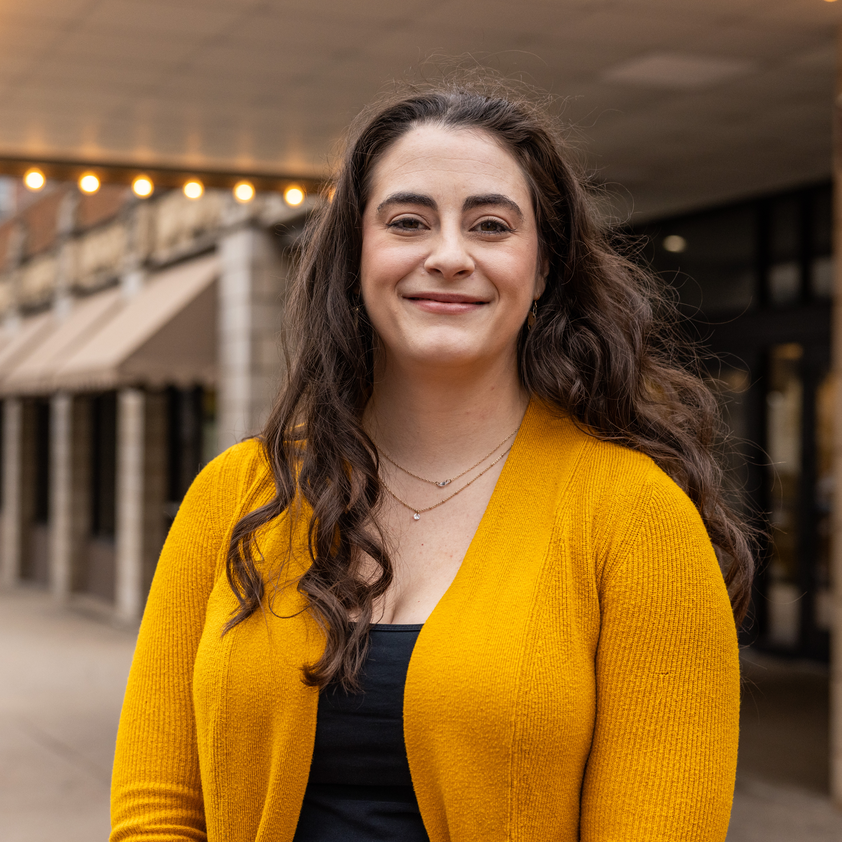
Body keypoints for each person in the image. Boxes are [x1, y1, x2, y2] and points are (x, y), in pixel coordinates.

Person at [110, 77, 754, 842]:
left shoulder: (639, 520)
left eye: (490, 226)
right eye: (409, 221)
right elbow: (157, 806)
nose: (449, 256)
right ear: (356, 256)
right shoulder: (238, 496)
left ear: (542, 269)